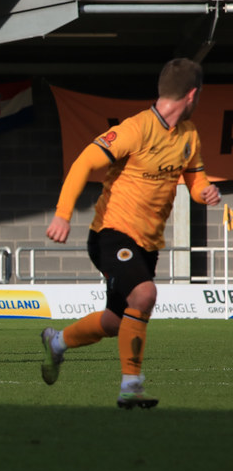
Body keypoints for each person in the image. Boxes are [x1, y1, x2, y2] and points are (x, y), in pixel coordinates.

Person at [40, 57, 221, 409]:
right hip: (111, 233)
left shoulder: (189, 135)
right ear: (193, 95)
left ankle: (57, 342)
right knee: (144, 295)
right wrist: (63, 215)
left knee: (114, 321)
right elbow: (84, 162)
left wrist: (205, 193)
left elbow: (195, 180)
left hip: (148, 243)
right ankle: (131, 385)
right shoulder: (135, 129)